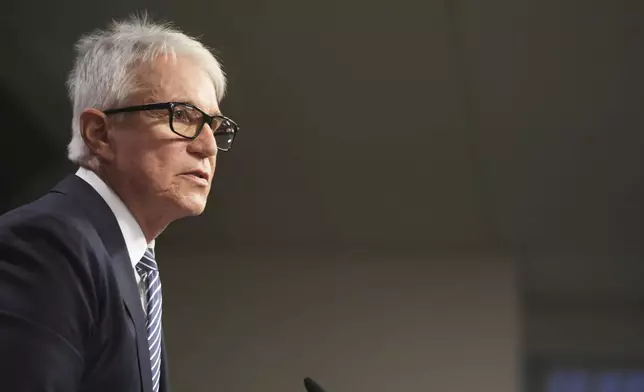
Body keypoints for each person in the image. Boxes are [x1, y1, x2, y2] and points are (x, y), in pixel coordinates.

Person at [0, 14, 239, 392]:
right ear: (99, 133)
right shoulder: (49, 243)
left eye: (215, 126)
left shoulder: (131, 262)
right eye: (183, 116)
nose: (208, 146)